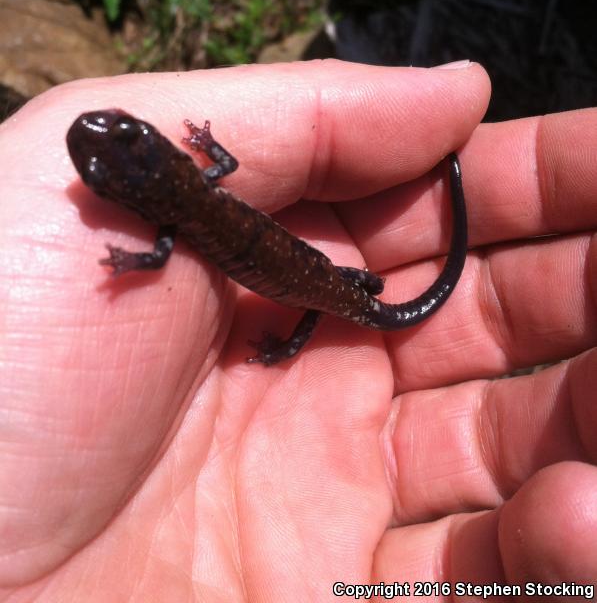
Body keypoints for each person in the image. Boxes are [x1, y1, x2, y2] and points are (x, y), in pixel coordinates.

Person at [1, 59, 595, 596]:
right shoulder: (199, 189)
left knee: (331, 297)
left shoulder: (170, 222)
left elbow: (159, 255)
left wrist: (130, 263)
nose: (108, 134)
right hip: (326, 282)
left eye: (128, 134)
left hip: (321, 289)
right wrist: (207, 144)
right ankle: (359, 289)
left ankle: (341, 303)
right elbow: (225, 165)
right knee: (337, 292)